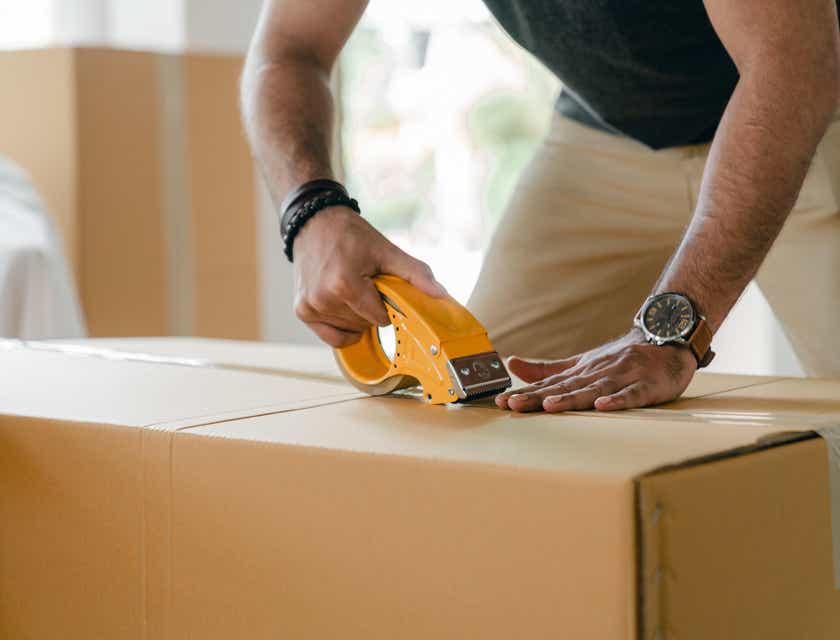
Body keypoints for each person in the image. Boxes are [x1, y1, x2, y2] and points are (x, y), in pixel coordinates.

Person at [241, 1, 840, 413]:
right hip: (605, 138)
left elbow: (792, 66)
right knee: (480, 402)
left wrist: (673, 330)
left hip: (810, 121)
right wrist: (311, 210)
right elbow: (289, 48)